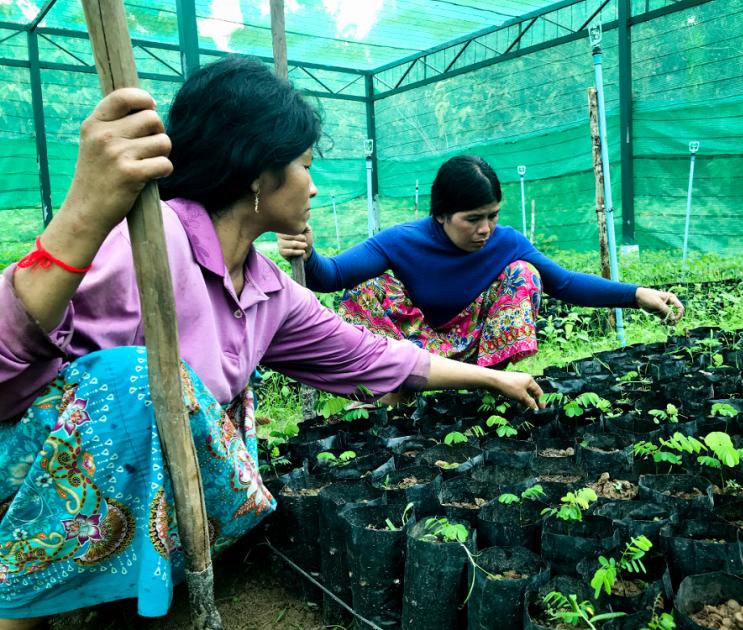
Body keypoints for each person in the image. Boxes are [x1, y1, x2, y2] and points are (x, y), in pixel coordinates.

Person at [0, 57, 544, 627]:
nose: (312, 186)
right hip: (29, 472)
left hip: (107, 505)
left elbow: (367, 353)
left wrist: (491, 376)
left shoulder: (265, 288)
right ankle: (19, 609)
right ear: (259, 174)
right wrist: (83, 213)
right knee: (139, 381)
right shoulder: (150, 237)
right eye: (304, 165)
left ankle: (119, 585)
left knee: (203, 410)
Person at [278, 154, 685, 368]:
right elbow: (330, 277)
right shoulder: (401, 241)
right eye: (472, 219)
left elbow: (564, 283)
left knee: (524, 274)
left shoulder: (507, 243)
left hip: (476, 348)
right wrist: (309, 255)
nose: (485, 229)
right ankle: (393, 389)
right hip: (418, 348)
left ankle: (492, 381)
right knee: (365, 289)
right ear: (441, 214)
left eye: (492, 216)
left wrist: (637, 294)